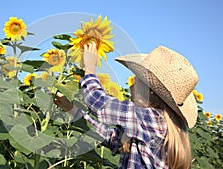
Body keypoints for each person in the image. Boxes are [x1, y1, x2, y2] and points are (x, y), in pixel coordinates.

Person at [54, 42, 199, 169]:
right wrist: (73, 110)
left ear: (147, 91)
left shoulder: (151, 119)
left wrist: (90, 69)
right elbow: (110, 137)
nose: (130, 86)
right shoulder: (156, 126)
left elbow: (100, 104)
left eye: (135, 81)